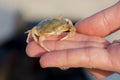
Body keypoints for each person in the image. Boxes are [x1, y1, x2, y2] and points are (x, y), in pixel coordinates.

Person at [26, 1, 120, 79]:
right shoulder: (40, 30)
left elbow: (69, 24)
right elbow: (34, 31)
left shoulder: (62, 24)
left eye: (58, 29)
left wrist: (63, 33)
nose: (56, 32)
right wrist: (42, 44)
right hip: (44, 29)